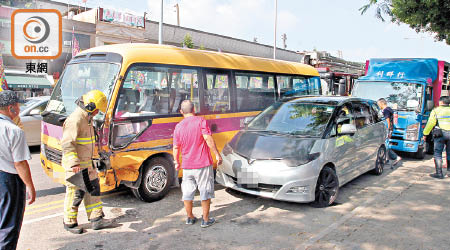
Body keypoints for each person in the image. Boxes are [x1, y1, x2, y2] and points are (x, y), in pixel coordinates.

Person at [62, 90, 113, 234]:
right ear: (90, 106)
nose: (97, 113)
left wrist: (96, 159)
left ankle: (97, 219)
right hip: (77, 166)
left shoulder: (87, 119)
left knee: (94, 189)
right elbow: (67, 144)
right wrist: (74, 164)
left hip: (88, 164)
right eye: (97, 109)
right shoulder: (75, 120)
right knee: (75, 193)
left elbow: (88, 144)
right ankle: (69, 222)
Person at [173, 100, 223, 228]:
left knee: (187, 192)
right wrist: (217, 154)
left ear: (181, 112)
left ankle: (190, 217)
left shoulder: (178, 127)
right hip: (202, 164)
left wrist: (176, 162)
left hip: (187, 165)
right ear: (194, 110)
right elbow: (207, 138)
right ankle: (205, 220)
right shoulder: (201, 121)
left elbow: (176, 147)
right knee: (205, 190)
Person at [0, 90, 36, 249]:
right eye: (18, 106)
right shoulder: (13, 130)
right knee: (9, 225)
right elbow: (19, 163)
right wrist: (30, 185)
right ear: (11, 108)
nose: (19, 110)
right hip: (9, 180)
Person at [423, 96, 450, 179]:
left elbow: (430, 123)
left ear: (441, 102)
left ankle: (439, 173)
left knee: (438, 154)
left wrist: (425, 134)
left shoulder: (436, 110)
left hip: (440, 134)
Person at [377, 98, 402, 168]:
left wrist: (387, 131)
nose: (379, 106)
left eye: (379, 104)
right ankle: (386, 159)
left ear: (382, 103)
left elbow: (388, 121)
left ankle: (396, 157)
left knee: (386, 145)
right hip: (391, 128)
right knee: (386, 144)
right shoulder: (389, 109)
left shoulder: (385, 111)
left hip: (387, 129)